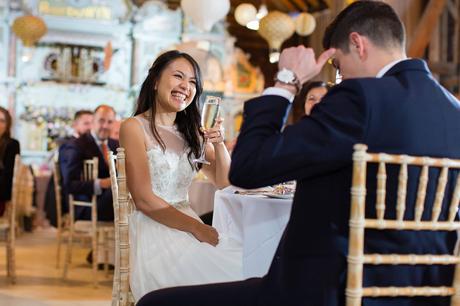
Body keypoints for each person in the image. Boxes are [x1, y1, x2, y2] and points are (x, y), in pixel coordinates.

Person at [137, 1, 460, 306]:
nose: (339, 78)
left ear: (358, 44)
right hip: (422, 294)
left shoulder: (360, 97)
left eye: (337, 66)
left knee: (154, 303)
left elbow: (247, 168)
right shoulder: (453, 110)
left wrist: (285, 82)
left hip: (323, 291)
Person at [119, 50, 242, 302]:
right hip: (154, 228)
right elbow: (143, 199)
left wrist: (219, 143)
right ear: (155, 81)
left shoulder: (192, 133)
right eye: (178, 76)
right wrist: (198, 228)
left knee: (247, 263)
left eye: (193, 82)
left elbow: (224, 182)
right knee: (230, 276)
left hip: (187, 223)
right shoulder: (134, 127)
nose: (185, 86)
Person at [60, 105, 118, 221]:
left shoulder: (116, 144)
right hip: (88, 205)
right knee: (121, 189)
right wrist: (101, 183)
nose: (105, 126)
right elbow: (69, 184)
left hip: (113, 202)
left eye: (110, 122)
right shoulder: (76, 145)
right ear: (93, 122)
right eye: (101, 121)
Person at [45, 110, 94, 226]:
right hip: (73, 196)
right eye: (86, 123)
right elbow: (69, 181)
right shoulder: (69, 146)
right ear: (75, 125)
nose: (90, 127)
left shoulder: (90, 144)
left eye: (92, 123)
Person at [0, 107, 20, 217]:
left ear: (7, 124)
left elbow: (8, 174)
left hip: (2, 191)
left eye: (2, 120)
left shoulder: (12, 144)